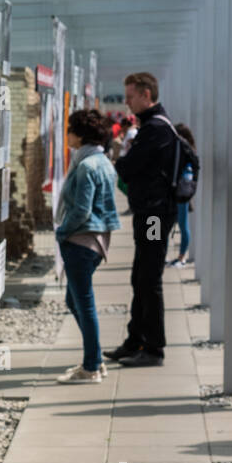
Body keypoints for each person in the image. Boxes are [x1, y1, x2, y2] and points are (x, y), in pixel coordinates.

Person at [109, 72, 181, 367]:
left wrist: (124, 162)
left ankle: (154, 347)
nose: (126, 103)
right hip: (149, 212)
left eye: (130, 97)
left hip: (154, 216)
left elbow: (127, 167)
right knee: (140, 276)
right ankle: (135, 339)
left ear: (147, 94)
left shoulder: (155, 130)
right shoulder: (151, 126)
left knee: (149, 278)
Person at [54, 109, 121, 384]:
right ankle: (95, 359)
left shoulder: (85, 165)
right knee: (75, 300)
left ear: (80, 135)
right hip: (97, 239)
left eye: (70, 129)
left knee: (84, 302)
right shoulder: (102, 161)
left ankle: (91, 367)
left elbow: (81, 210)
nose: (67, 134)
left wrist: (62, 232)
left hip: (81, 240)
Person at [168, 123, 198, 267]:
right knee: (177, 223)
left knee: (182, 223)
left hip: (180, 191)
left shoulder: (183, 150)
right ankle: (179, 256)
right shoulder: (188, 149)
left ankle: (181, 257)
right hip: (181, 190)